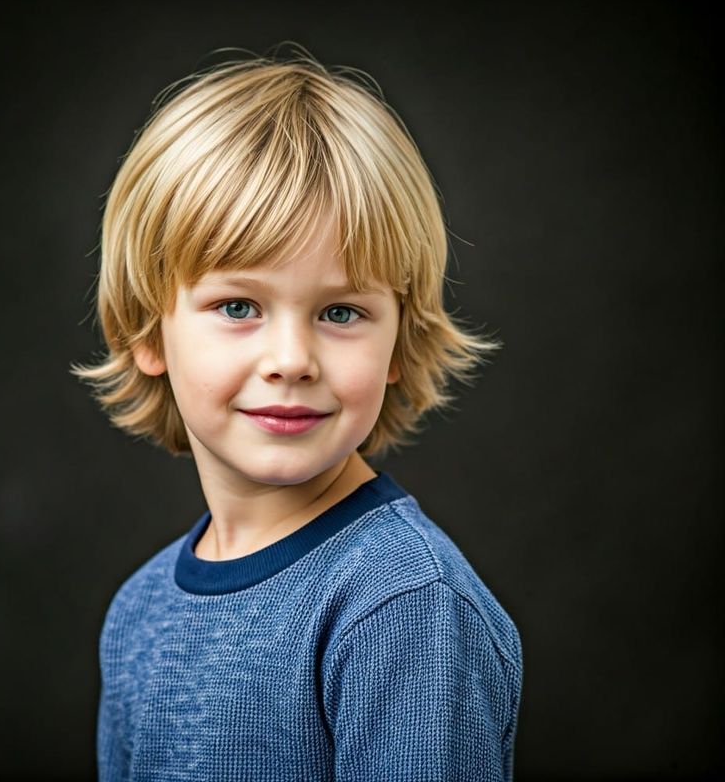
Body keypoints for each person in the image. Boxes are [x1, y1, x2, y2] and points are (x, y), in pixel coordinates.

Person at [76, 52, 522, 779]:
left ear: (398, 344)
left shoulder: (403, 605)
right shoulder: (137, 613)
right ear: (149, 332)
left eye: (341, 312)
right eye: (238, 307)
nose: (292, 358)